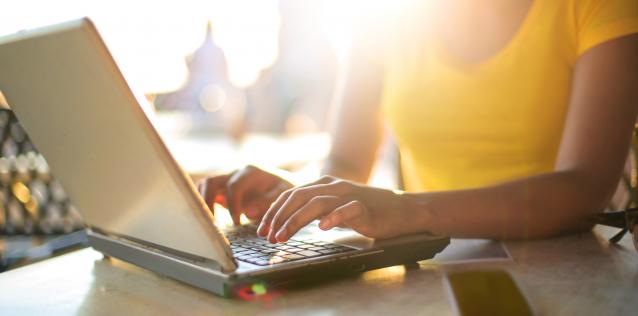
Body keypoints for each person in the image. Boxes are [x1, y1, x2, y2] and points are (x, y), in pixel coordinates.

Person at [198, 0, 638, 243]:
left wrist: (409, 207)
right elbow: (349, 162)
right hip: (430, 260)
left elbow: (585, 188)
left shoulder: (599, 7)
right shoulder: (382, 18)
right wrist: (300, 195)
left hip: (566, 269)